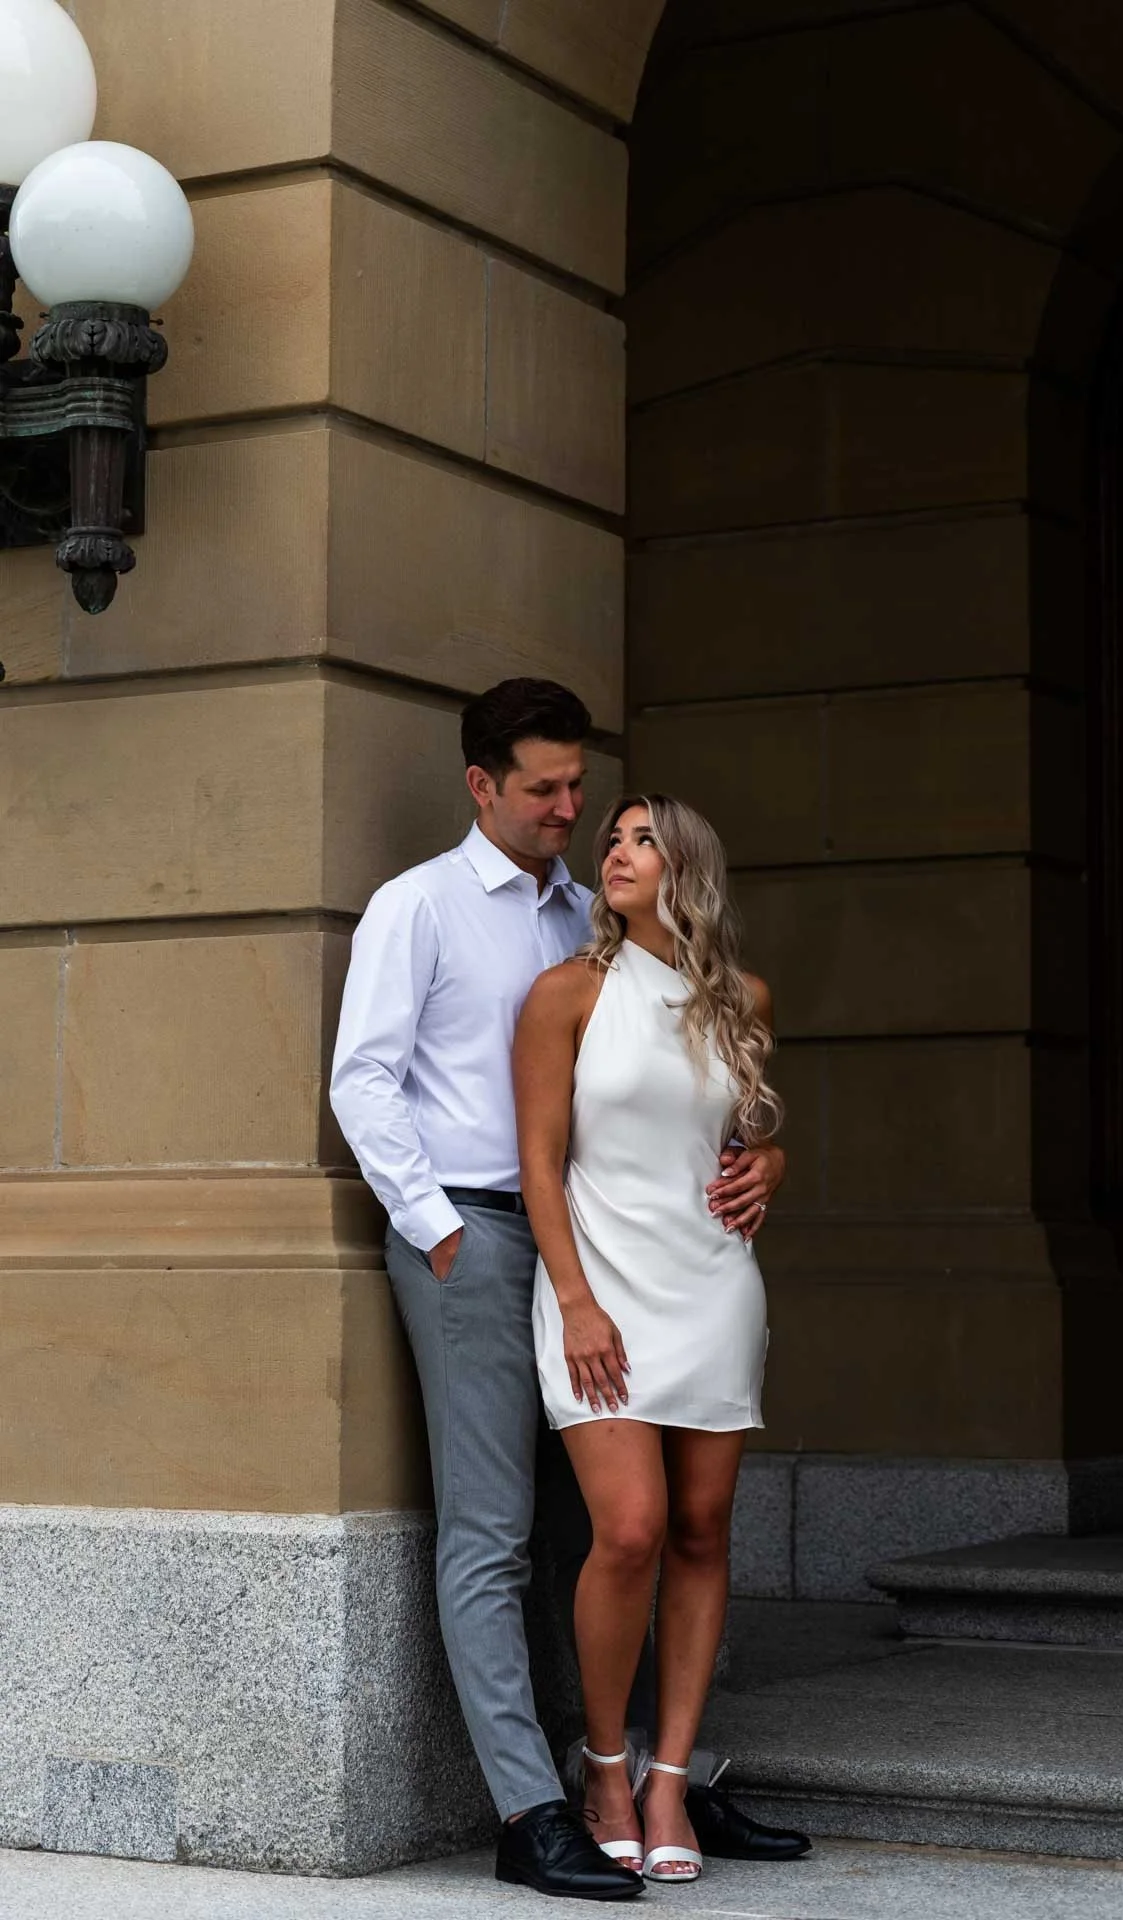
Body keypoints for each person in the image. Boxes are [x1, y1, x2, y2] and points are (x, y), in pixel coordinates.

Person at [329, 681, 796, 1900]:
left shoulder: (594, 916)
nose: (568, 808)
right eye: (543, 789)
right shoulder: (416, 907)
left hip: (618, 1247)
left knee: (613, 1533)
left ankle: (657, 1774)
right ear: (480, 784)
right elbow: (364, 1081)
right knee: (494, 1530)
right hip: (479, 1235)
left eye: (577, 788)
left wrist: (768, 1156)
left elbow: (689, 1077)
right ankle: (532, 1807)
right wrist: (437, 1234)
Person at [514, 794, 786, 1884]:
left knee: (703, 1530)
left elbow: (747, 1139)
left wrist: (775, 1166)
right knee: (627, 1529)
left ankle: (672, 1778)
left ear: (687, 869)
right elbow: (538, 1163)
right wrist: (575, 1301)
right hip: (601, 1287)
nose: (612, 852)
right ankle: (606, 1765)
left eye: (638, 839)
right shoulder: (564, 995)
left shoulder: (744, 1001)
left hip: (712, 1287)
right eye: (611, 838)